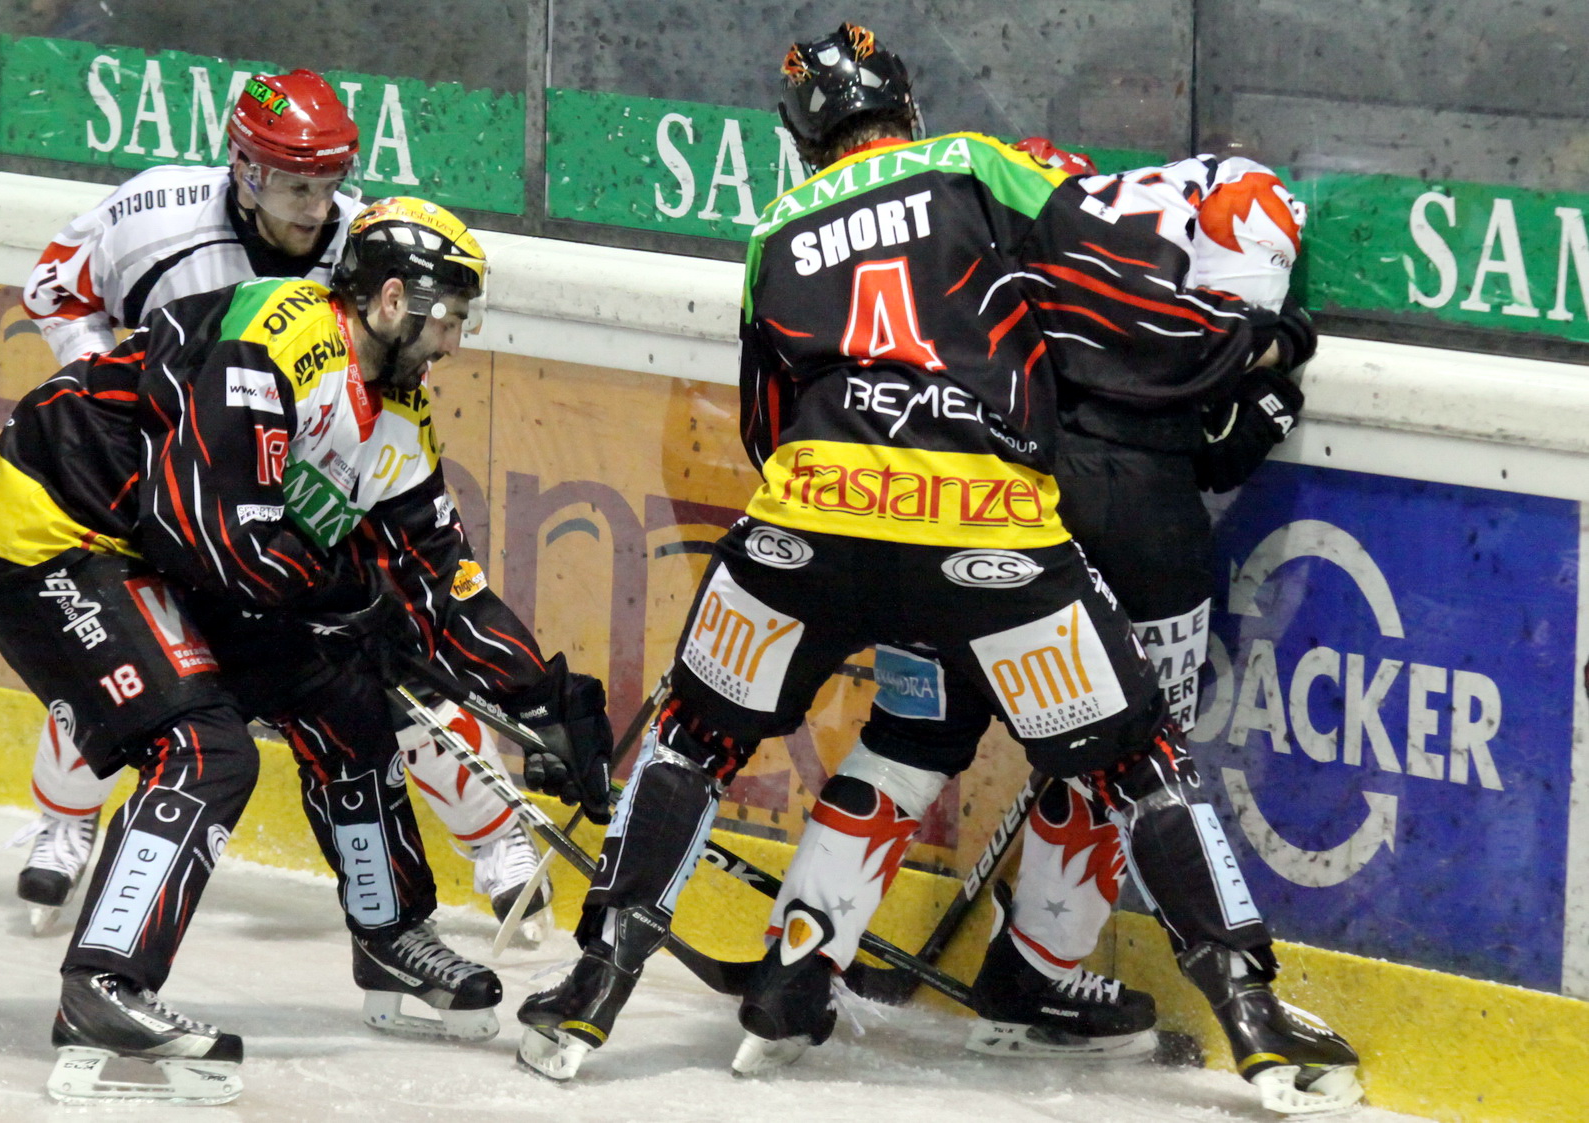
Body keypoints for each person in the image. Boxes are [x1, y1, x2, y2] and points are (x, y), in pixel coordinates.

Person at [515, 23, 1359, 1116]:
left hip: (807, 523)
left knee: (689, 737)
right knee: (1139, 761)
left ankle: (592, 988)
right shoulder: (973, 166)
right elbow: (1113, 305)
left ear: (803, 141)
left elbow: (767, 422)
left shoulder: (774, 230)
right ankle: (1254, 1017)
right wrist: (1259, 346)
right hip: (983, 531)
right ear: (905, 109)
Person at [0, 195, 614, 1103]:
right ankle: (103, 985)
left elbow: (437, 577)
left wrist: (540, 697)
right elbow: (215, 535)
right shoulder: (271, 337)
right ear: (393, 300)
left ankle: (389, 930)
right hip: (50, 535)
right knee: (205, 748)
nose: (456, 342)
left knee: (345, 697)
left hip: (153, 551)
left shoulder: (397, 412)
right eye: (449, 317)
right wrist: (355, 600)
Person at [9, 67, 554, 944]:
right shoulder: (156, 216)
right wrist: (118, 407)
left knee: (388, 640)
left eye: (330, 183)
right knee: (136, 649)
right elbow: (57, 288)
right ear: (245, 167)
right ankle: (64, 822)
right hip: (176, 485)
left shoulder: (368, 248)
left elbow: (395, 371)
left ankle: (496, 839)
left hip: (309, 475)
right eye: (297, 185)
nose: (317, 207)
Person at [852, 145, 1311, 1065]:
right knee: (1126, 753)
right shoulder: (1244, 208)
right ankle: (1038, 970)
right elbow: (1216, 396)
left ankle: (801, 957)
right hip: (1136, 512)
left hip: (984, 496)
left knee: (915, 734)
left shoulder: (1053, 184)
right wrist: (1280, 361)